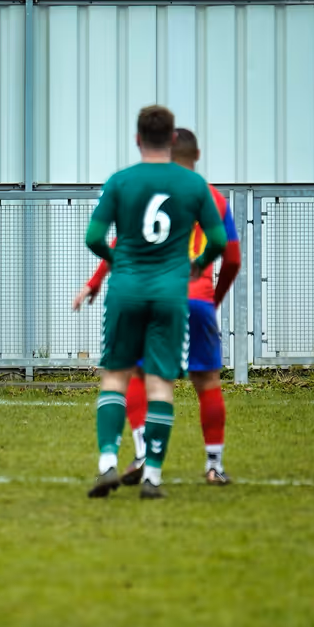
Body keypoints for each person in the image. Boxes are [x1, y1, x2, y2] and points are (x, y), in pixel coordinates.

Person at [73, 128, 241, 485]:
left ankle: (140, 451)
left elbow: (120, 241)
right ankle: (214, 465)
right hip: (195, 298)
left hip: (152, 293)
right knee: (207, 381)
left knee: (131, 372)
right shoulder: (211, 196)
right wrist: (215, 298)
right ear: (196, 155)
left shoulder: (144, 187)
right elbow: (233, 258)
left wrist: (95, 281)